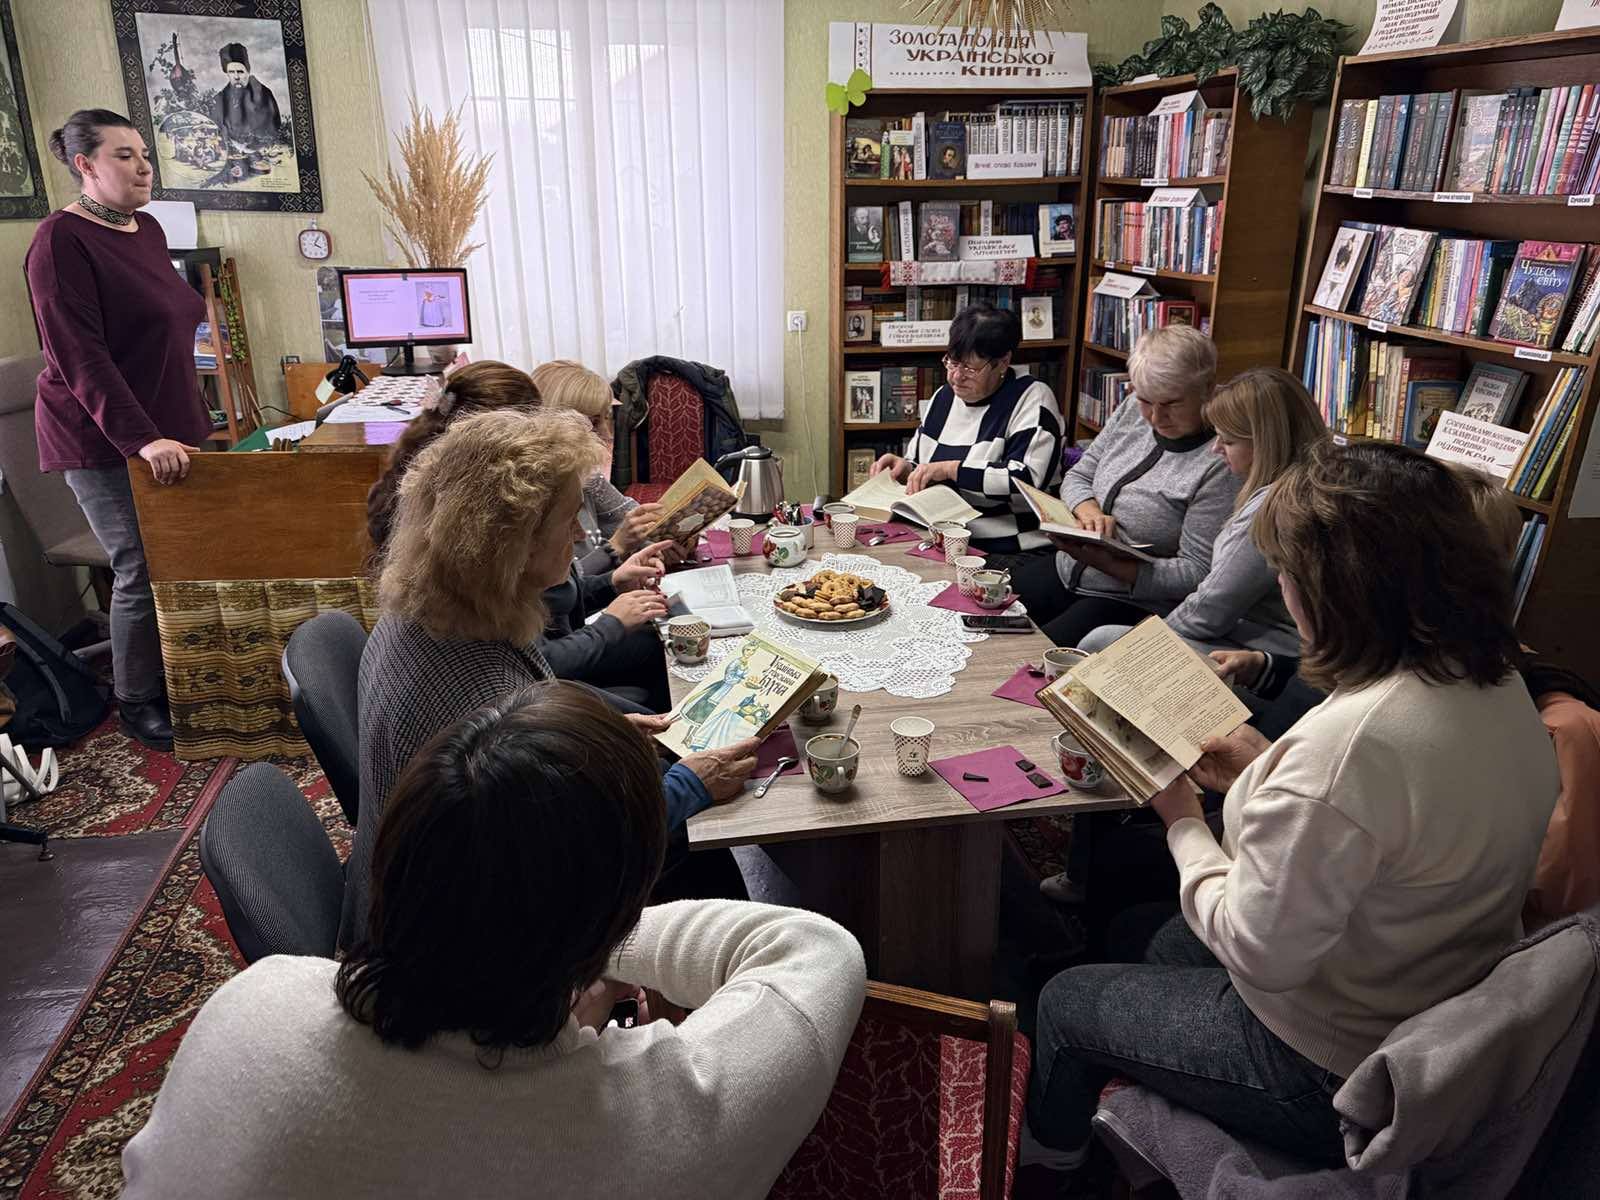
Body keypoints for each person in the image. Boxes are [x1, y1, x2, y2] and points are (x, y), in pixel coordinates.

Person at [1025, 441, 1560, 1180]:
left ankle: (1049, 1169)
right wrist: (1258, 767)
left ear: (1339, 593)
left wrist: (1182, 817)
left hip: (1329, 1067)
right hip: (1428, 997)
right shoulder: (1496, 683)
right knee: (1149, 939)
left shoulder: (1354, 743)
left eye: (1287, 573)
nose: (1279, 584)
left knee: (1063, 1001)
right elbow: (1375, 823)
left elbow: (1260, 952)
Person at [121, 684, 868, 1200]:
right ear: (610, 918)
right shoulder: (652, 1130)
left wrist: (559, 936)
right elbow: (818, 951)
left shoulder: (251, 1001)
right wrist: (580, 939)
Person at [343, 409, 757, 950]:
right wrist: (688, 787)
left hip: (427, 876)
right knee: (703, 852)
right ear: (510, 546)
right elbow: (572, 849)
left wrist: (594, 732)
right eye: (568, 523)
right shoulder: (484, 695)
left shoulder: (435, 609)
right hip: (458, 938)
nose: (581, 534)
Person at [25, 110, 212, 750]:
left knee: (181, 556)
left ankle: (183, 674)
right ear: (85, 165)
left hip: (165, 426)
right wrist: (142, 439)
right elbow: (81, 356)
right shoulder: (59, 241)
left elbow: (163, 330)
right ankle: (136, 701)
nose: (143, 167)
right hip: (100, 438)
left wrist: (187, 426)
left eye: (144, 155)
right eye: (124, 156)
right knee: (140, 563)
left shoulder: (148, 229)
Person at [1010, 324, 1237, 648]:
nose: (1155, 417)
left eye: (1171, 404)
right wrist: (1087, 511)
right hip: (1069, 567)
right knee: (975, 610)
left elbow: (1198, 573)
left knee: (1033, 657)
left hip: (1135, 600)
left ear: (1207, 390)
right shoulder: (1133, 409)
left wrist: (1111, 564)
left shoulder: (1222, 460)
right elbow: (1079, 475)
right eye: (1146, 401)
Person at [1076, 367, 1328, 657]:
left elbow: (1211, 609)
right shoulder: (1314, 486)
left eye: (1228, 441)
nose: (1216, 449)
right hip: (1258, 637)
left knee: (1100, 643)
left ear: (1265, 443)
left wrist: (1149, 639)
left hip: (1260, 647)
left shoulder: (1273, 509)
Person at [870, 302, 1063, 560]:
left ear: (1003, 362)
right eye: (952, 362)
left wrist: (952, 470)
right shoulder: (944, 397)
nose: (956, 377)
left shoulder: (1033, 398)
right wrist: (906, 468)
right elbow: (924, 464)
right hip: (943, 538)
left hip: (1012, 547)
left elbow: (1024, 480)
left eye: (971, 368)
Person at [526, 359, 666, 575]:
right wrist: (616, 547)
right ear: (552, 423)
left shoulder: (586, 475)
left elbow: (630, 521)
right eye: (592, 422)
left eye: (606, 419)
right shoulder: (530, 493)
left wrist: (654, 549)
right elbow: (555, 587)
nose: (607, 435)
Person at [206, 42, 281, 151]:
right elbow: (215, 131)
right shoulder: (219, 100)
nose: (236, 76)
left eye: (240, 72)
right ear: (227, 73)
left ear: (247, 71)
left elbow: (274, 128)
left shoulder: (265, 95)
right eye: (231, 72)